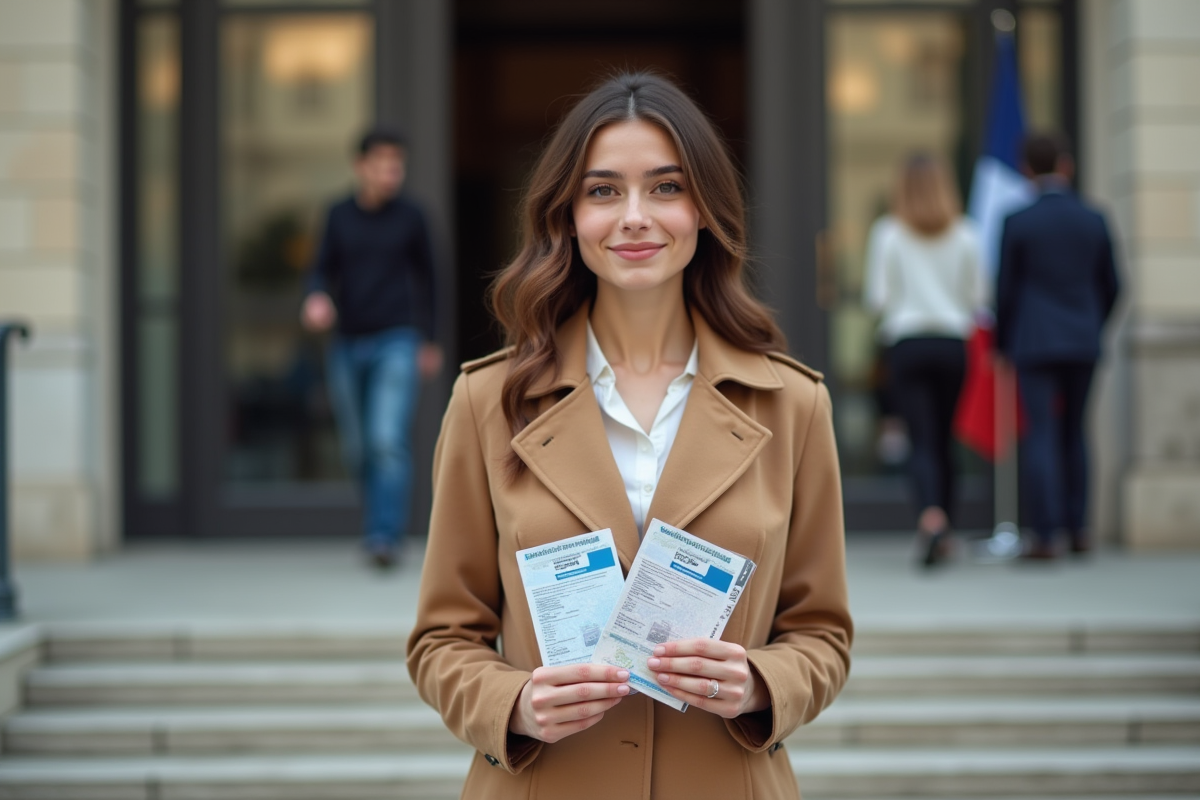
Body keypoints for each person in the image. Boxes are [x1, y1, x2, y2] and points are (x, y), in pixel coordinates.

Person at [406, 73, 851, 799]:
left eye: (667, 188)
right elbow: (440, 641)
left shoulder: (793, 404)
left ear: (704, 209)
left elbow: (823, 634)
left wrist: (760, 683)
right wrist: (512, 704)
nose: (635, 217)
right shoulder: (487, 401)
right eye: (604, 191)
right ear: (568, 215)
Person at [301, 128, 443, 568]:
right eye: (382, 164)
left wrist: (431, 339)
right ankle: (376, 523)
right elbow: (320, 270)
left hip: (398, 340)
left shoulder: (412, 217)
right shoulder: (338, 215)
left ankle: (385, 536)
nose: (391, 173)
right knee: (358, 449)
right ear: (361, 166)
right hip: (347, 345)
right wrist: (317, 297)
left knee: (386, 440)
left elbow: (433, 280)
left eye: (397, 165)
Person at [996, 132, 1120, 560]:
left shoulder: (1018, 220)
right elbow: (1113, 285)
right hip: (1082, 340)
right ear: (1066, 165)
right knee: (1076, 433)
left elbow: (1005, 291)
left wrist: (1003, 340)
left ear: (1027, 170)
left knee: (1042, 435)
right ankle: (1079, 528)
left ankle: (1045, 535)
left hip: (1033, 342)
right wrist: (1092, 325)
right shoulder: (1094, 217)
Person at [863, 154, 987, 567]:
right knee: (944, 438)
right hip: (953, 344)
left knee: (920, 439)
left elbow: (877, 298)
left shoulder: (889, 233)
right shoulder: (966, 233)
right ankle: (945, 527)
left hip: (907, 342)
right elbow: (979, 300)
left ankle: (930, 519)